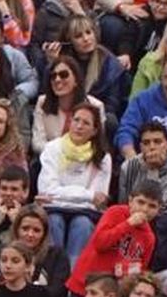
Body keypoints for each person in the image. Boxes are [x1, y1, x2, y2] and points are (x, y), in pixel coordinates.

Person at [36, 102, 112, 260]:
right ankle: (50, 272)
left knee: (82, 224)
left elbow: (100, 200)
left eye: (86, 123)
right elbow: (47, 190)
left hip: (86, 215)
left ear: (95, 130)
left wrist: (61, 195)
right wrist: (88, 196)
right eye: (76, 120)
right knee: (54, 221)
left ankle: (72, 278)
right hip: (54, 210)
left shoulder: (103, 158)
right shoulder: (52, 148)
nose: (79, 126)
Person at [65, 179, 163, 297]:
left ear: (159, 210)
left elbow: (139, 271)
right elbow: (100, 243)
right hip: (84, 287)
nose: (145, 209)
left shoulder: (149, 237)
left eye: (152, 206)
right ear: (130, 200)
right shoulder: (115, 212)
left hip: (111, 296)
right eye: (141, 202)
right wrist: (128, 224)